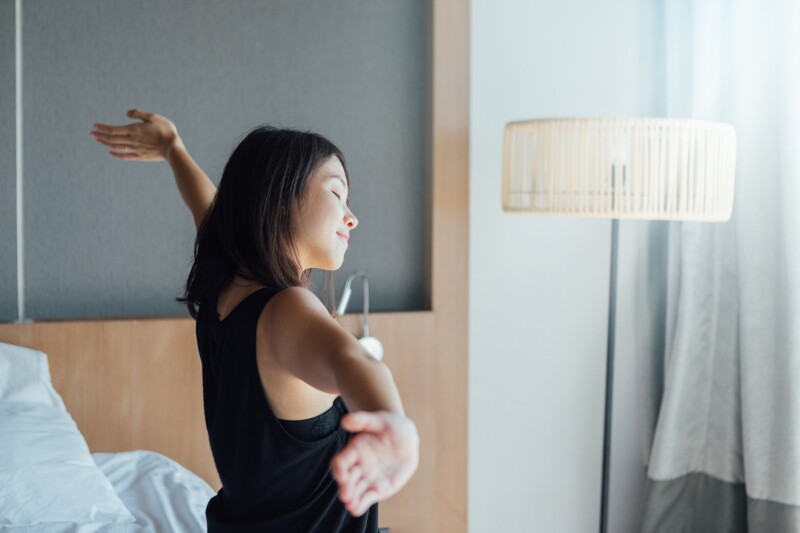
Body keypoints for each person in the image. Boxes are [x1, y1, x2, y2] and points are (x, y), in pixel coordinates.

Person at [90, 110, 419, 532]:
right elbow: (353, 361)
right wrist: (394, 422)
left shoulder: (223, 290)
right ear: (280, 197)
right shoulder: (286, 309)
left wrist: (174, 149)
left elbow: (209, 210)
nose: (352, 217)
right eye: (338, 194)